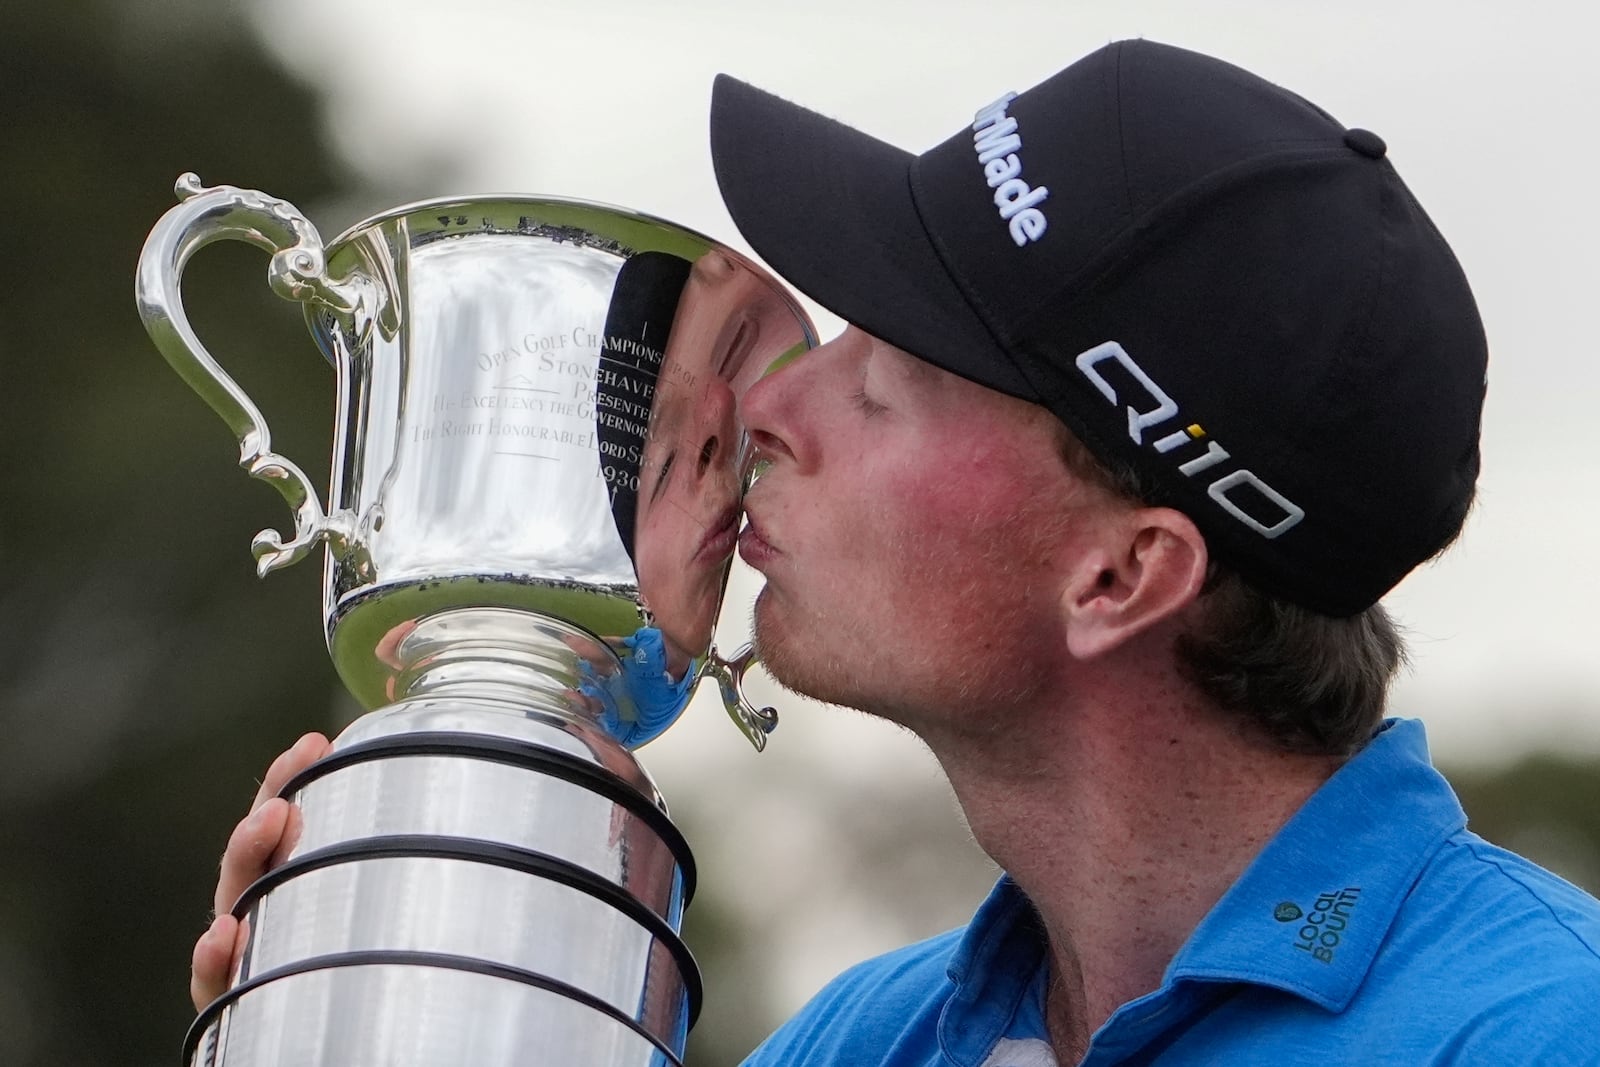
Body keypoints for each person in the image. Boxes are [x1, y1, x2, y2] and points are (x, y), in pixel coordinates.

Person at [192, 39, 1600, 1065]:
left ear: (1122, 576)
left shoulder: (1538, 1032)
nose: (774, 403)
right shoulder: (862, 1043)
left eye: (885, 377)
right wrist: (376, 1002)